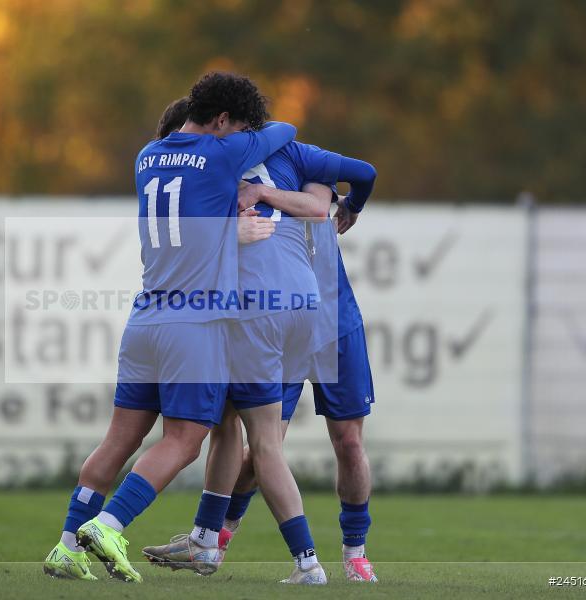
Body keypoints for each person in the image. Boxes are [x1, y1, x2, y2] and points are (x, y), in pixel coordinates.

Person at [43, 72, 296, 583]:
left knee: (118, 439)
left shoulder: (146, 155)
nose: (241, 138)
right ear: (221, 120)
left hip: (146, 315)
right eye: (238, 127)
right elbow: (283, 131)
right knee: (184, 440)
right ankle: (109, 525)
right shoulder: (221, 153)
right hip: (193, 323)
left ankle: (66, 547)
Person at [142, 108, 378, 584]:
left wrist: (345, 205)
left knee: (349, 442)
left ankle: (355, 551)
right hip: (275, 318)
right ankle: (212, 541)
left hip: (332, 318)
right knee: (260, 447)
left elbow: (345, 187)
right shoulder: (211, 175)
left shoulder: (293, 153)